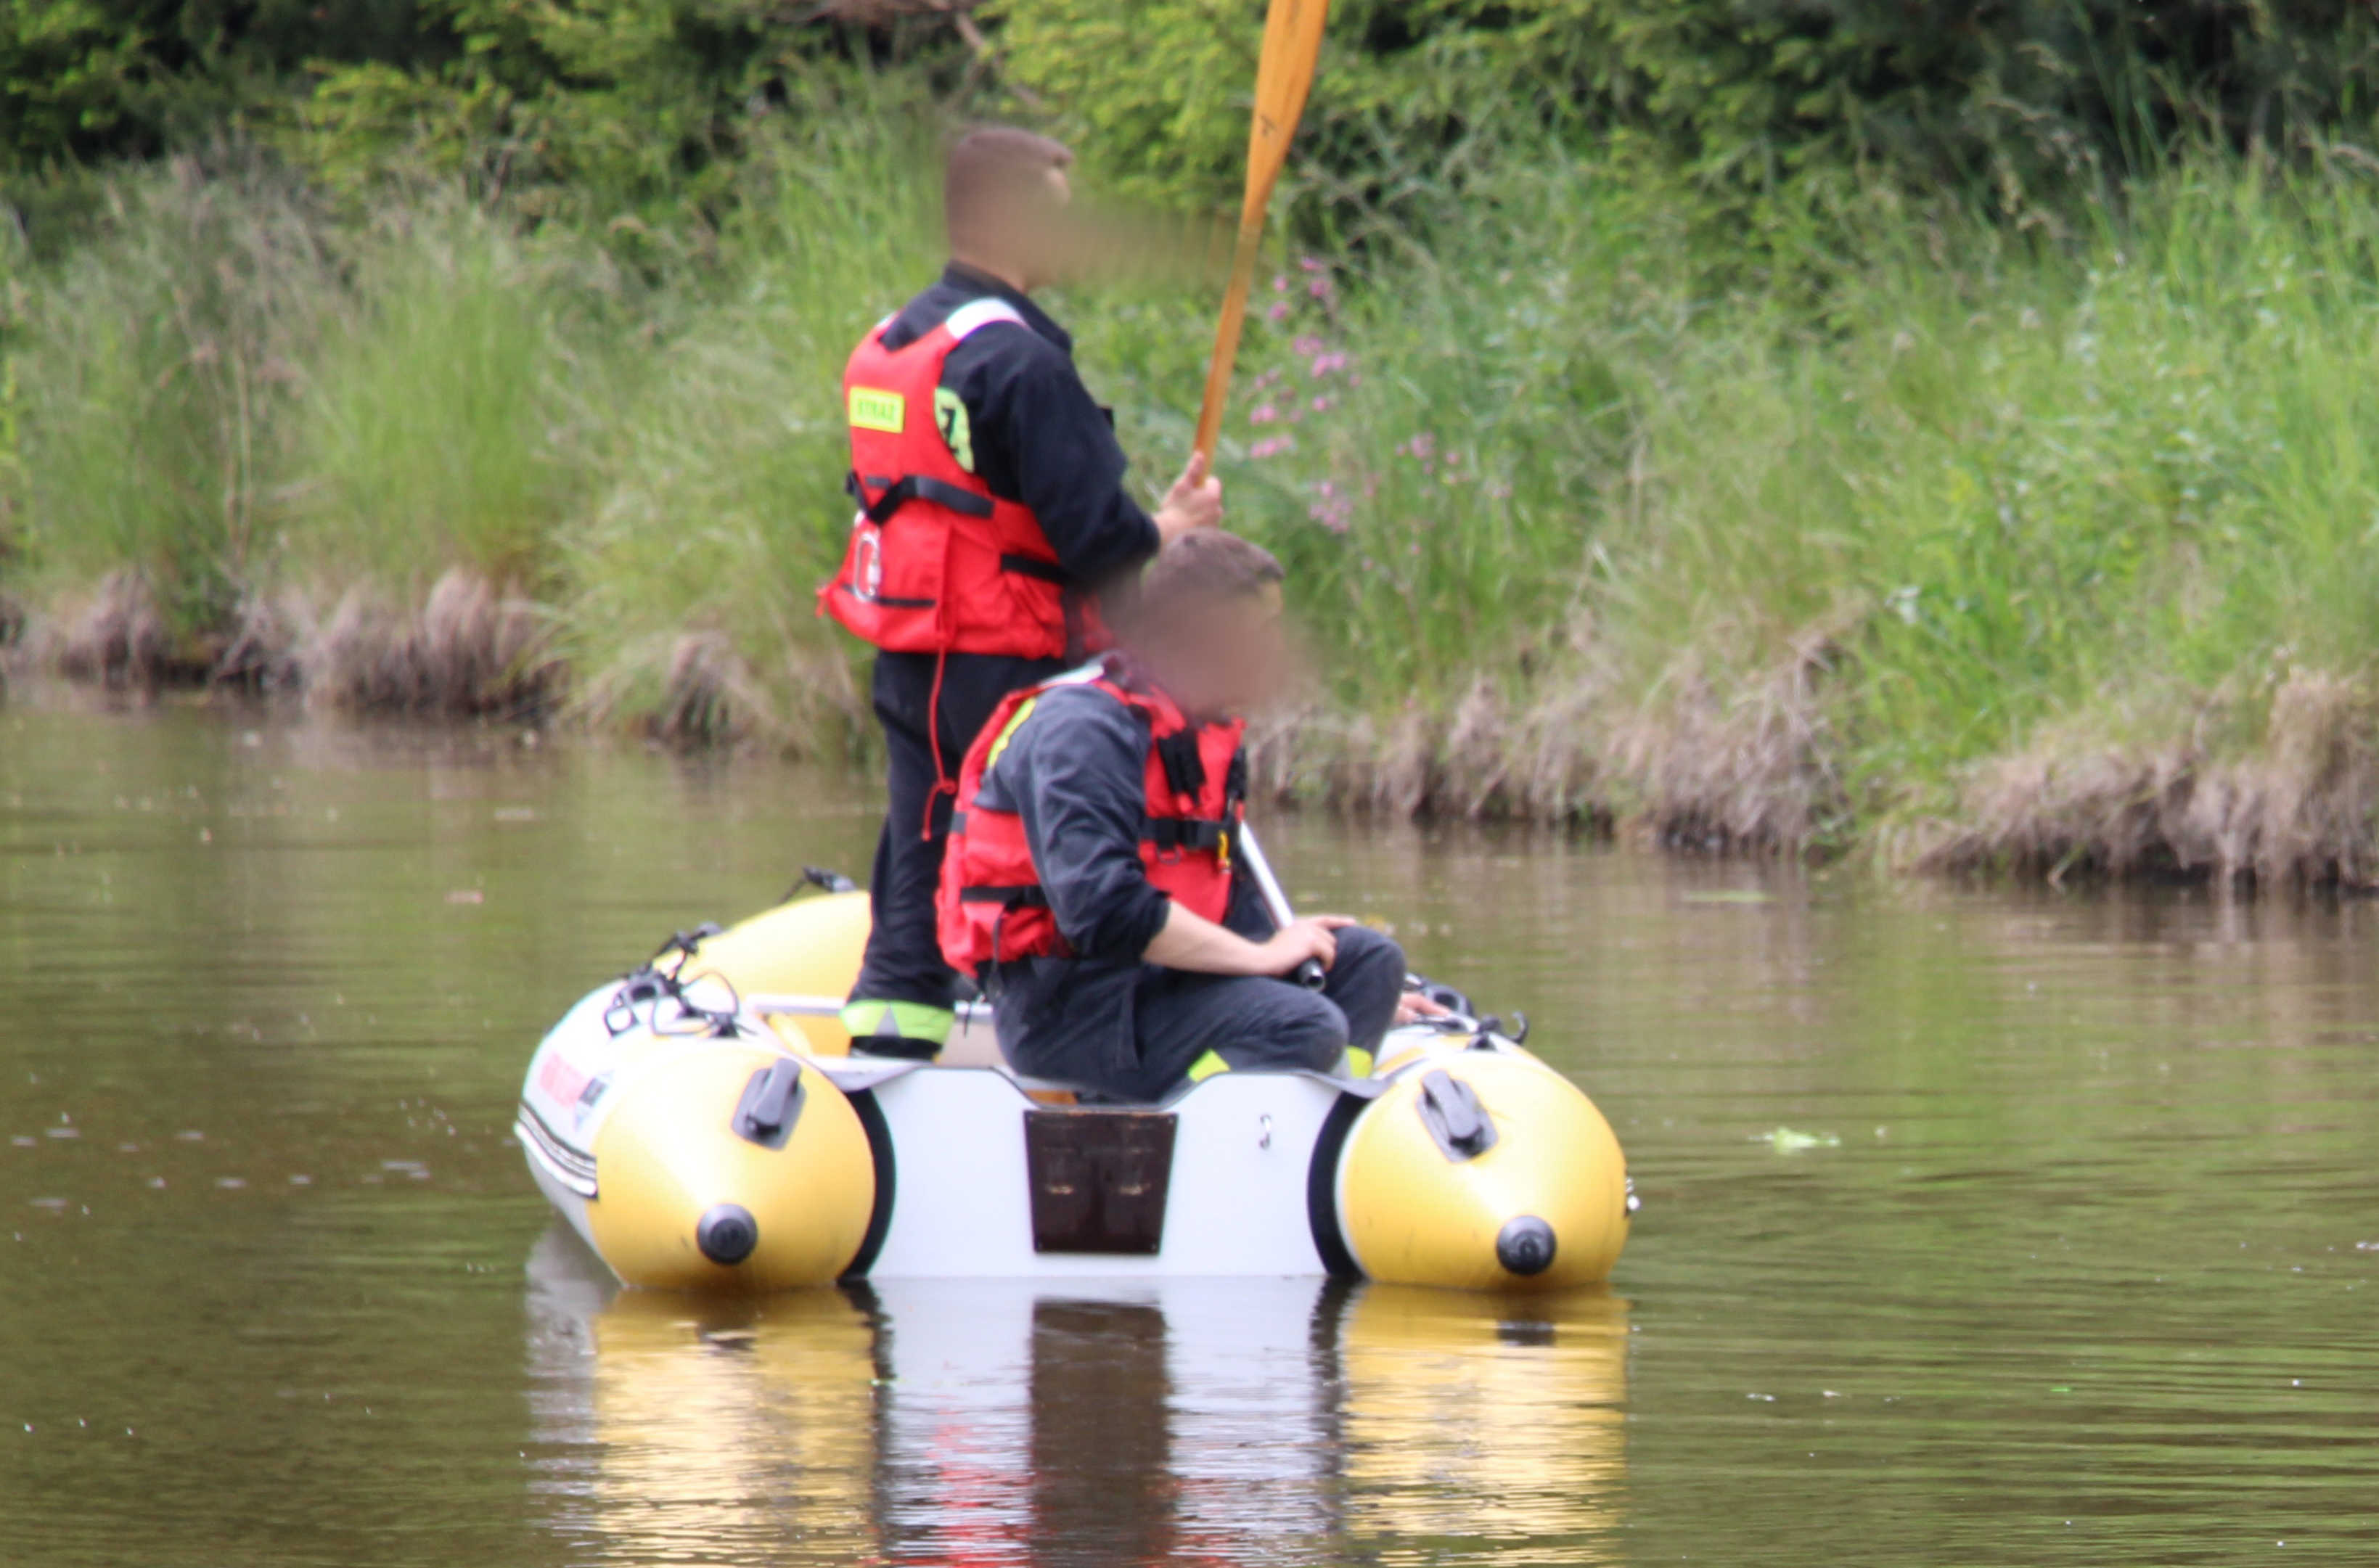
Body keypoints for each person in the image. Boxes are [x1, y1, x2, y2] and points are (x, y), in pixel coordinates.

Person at [823, 126, 1223, 1060]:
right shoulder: (1022, 363)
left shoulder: (893, 341)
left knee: (922, 835)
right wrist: (1174, 527)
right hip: (1014, 663)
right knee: (1055, 851)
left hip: (914, 659)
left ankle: (891, 1036)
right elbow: (1101, 547)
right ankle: (1098, 1038)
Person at [935, 530, 1409, 1100]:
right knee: (1305, 1024)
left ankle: (1330, 1121)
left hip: (1166, 980)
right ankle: (1167, 1128)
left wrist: (1287, 951)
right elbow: (1104, 911)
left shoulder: (1202, 727)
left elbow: (1221, 891)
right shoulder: (1084, 729)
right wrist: (1260, 958)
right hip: (1069, 1006)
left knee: (1369, 963)